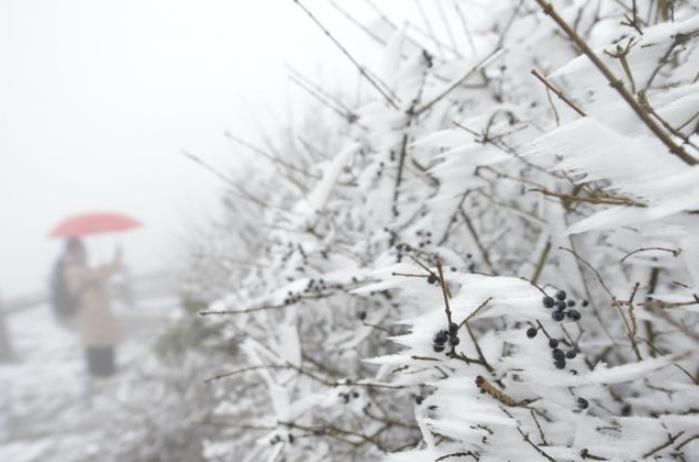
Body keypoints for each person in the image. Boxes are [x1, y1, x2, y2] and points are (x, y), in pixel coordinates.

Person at [61, 238, 123, 378]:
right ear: (70, 252)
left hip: (95, 313)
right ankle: (102, 373)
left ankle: (106, 371)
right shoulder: (74, 269)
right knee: (98, 343)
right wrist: (116, 259)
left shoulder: (80, 267)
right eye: (77, 249)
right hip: (90, 313)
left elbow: (96, 275)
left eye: (81, 248)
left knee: (101, 341)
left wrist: (103, 268)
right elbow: (99, 276)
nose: (82, 251)